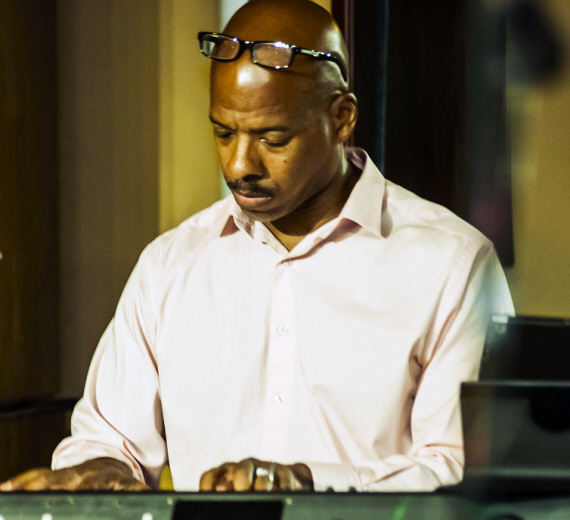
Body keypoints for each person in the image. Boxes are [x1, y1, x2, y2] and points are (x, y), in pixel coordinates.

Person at [0, 0, 513, 493]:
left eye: (272, 138)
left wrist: (310, 484)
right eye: (224, 133)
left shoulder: (451, 266)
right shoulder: (169, 266)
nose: (239, 165)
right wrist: (99, 470)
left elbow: (464, 469)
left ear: (341, 118)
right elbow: (109, 439)